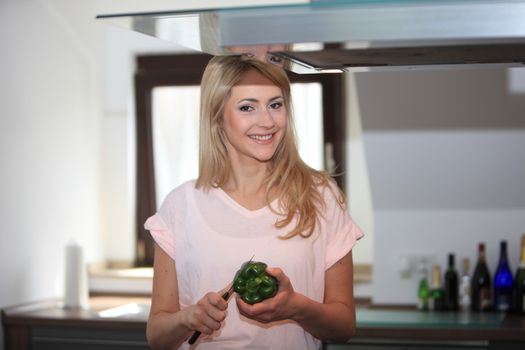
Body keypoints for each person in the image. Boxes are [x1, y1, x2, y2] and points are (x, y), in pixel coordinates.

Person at [144, 55, 363, 350]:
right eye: (247, 107)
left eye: (276, 104)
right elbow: (156, 335)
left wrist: (295, 307)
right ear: (217, 116)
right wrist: (189, 317)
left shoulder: (321, 197)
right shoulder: (180, 206)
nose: (267, 121)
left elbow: (344, 326)